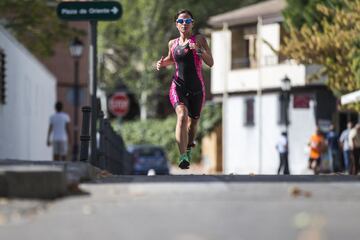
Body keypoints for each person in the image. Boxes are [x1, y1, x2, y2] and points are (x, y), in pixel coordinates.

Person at [156, 9, 213, 169]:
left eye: (187, 21)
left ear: (192, 24)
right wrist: (160, 64)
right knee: (182, 115)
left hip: (196, 88)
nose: (184, 24)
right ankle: (182, 157)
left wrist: (199, 51)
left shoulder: (200, 39)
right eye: (181, 21)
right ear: (176, 25)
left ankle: (188, 148)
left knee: (193, 124)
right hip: (178, 85)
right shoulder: (172, 44)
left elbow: (211, 62)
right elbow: (170, 59)